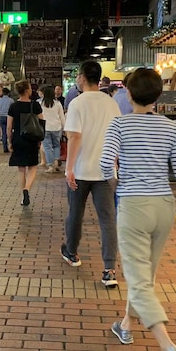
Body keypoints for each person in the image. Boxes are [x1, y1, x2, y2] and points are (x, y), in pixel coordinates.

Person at [100, 67, 176, 351]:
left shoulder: (120, 124)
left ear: (128, 94)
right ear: (158, 96)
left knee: (138, 278)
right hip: (165, 207)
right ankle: (126, 325)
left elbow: (106, 164)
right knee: (147, 273)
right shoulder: (171, 128)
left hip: (134, 204)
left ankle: (168, 347)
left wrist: (119, 186)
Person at [61, 61, 120, 288]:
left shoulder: (77, 103)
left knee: (76, 213)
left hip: (81, 170)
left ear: (83, 77)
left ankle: (72, 253)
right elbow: (116, 135)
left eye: (78, 75)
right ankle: (109, 269)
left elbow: (74, 137)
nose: (77, 78)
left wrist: (69, 168)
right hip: (105, 171)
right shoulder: (110, 103)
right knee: (107, 219)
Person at [8, 80, 44, 206]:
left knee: (21, 169)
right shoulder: (35, 105)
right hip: (32, 138)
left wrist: (10, 141)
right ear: (27, 90)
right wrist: (40, 139)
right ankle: (27, 189)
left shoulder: (13, 106)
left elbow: (9, 126)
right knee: (32, 166)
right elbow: (41, 122)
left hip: (18, 138)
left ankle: (23, 198)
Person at [40, 85, 65, 174]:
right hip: (57, 127)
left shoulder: (41, 104)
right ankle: (56, 163)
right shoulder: (58, 103)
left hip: (45, 128)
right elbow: (62, 117)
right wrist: (64, 127)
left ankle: (50, 166)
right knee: (56, 146)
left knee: (47, 147)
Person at [0, 87, 14, 153]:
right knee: (10, 131)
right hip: (9, 117)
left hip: (1, 117)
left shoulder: (0, 100)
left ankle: (5, 147)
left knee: (3, 132)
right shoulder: (11, 100)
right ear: (9, 93)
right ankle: (11, 144)